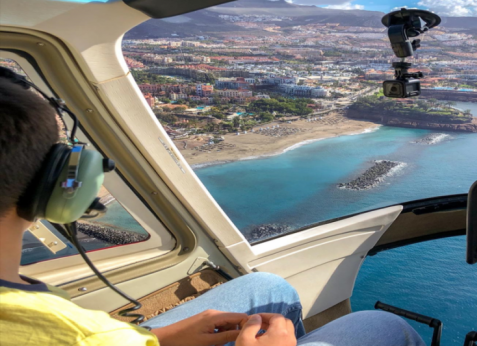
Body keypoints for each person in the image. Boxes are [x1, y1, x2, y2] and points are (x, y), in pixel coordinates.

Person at [0, 71, 426, 346]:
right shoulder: (68, 333)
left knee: (269, 288)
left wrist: (160, 338)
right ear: (57, 186)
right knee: (385, 328)